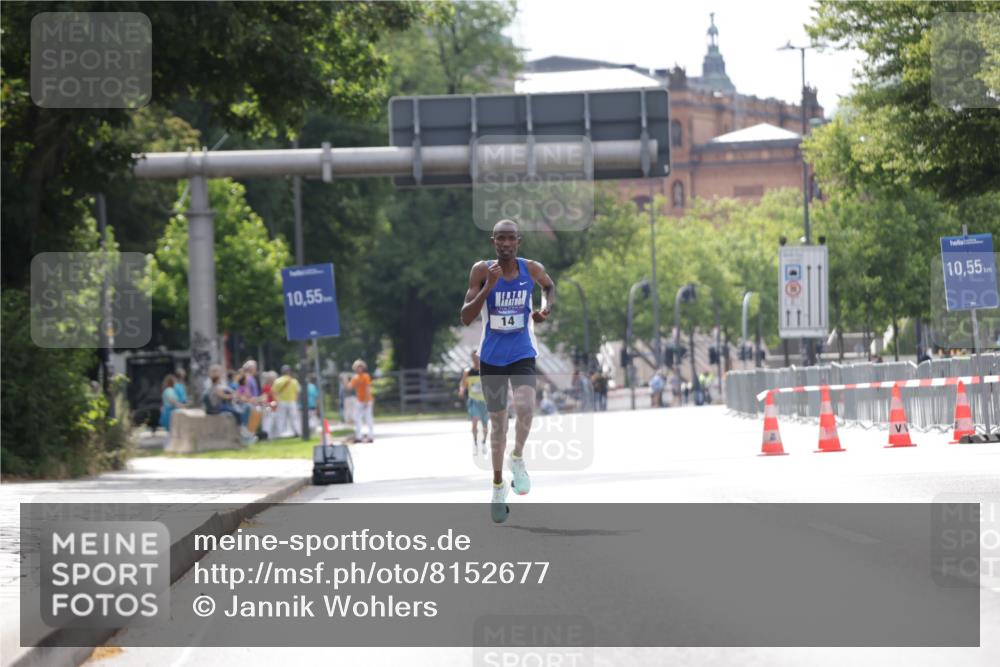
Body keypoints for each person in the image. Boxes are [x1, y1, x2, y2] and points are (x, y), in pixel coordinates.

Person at [460, 219, 555, 524]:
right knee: (498, 426)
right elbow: (465, 317)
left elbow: (549, 287)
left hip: (522, 351)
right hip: (492, 358)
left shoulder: (532, 269)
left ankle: (518, 457)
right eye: (499, 239)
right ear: (493, 242)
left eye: (510, 238)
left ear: (518, 242)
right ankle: (498, 485)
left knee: (526, 407)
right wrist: (489, 286)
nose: (505, 243)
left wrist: (545, 309)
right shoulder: (481, 270)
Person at [459, 351, 489, 456]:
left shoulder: (486, 371)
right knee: (475, 422)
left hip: (485, 402)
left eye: (478, 357)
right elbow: (463, 384)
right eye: (474, 358)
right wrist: (462, 390)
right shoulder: (468, 372)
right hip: (473, 401)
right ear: (472, 358)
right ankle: (475, 443)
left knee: (485, 426)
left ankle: (484, 442)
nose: (476, 359)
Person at [345, 360, 374, 443]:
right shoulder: (355, 378)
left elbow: (368, 388)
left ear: (363, 368)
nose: (359, 369)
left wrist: (366, 400)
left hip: (367, 400)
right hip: (359, 400)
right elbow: (349, 387)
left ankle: (370, 436)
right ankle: (359, 436)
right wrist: (345, 379)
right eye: (357, 367)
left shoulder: (365, 376)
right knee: (356, 417)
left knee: (368, 418)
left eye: (360, 367)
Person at [271, 365, 301, 438]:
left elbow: (273, 392)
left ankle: (279, 433)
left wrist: (277, 400)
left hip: (281, 402)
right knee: (294, 418)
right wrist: (295, 401)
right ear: (289, 372)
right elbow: (297, 392)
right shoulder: (294, 381)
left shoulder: (278, 381)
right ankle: (297, 432)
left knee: (281, 418)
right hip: (292, 401)